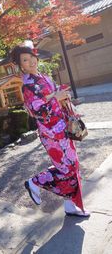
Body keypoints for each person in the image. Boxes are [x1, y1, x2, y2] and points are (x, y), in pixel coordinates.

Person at [10, 44, 90, 217]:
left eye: (31, 57)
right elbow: (38, 111)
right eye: (25, 60)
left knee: (73, 166)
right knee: (66, 169)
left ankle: (70, 206)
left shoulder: (43, 77)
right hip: (51, 134)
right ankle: (34, 182)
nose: (30, 61)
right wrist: (56, 98)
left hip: (63, 129)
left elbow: (55, 98)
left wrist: (63, 98)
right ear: (20, 65)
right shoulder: (28, 86)